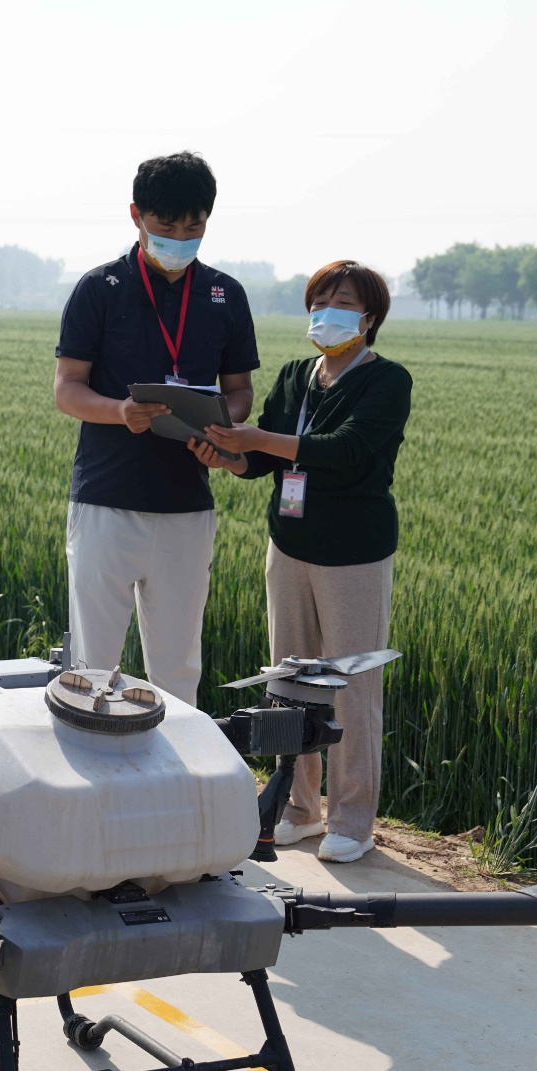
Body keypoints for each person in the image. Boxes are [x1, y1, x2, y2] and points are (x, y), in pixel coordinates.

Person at [193, 262, 410, 863]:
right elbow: (262, 462)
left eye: (343, 302)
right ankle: (299, 807)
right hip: (288, 546)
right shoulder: (295, 375)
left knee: (350, 686)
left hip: (353, 556)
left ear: (369, 320)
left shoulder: (387, 381)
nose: (328, 311)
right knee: (289, 681)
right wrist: (227, 457)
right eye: (320, 299)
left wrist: (257, 439)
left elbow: (348, 451)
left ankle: (352, 820)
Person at [53, 152, 258, 705]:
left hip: (188, 504)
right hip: (106, 499)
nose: (180, 239)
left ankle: (173, 787)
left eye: (194, 227)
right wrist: (120, 411)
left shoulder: (225, 294)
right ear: (136, 216)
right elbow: (67, 388)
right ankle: (92, 789)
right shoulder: (100, 288)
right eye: (166, 227)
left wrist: (221, 423)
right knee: (92, 669)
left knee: (177, 666)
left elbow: (240, 390)